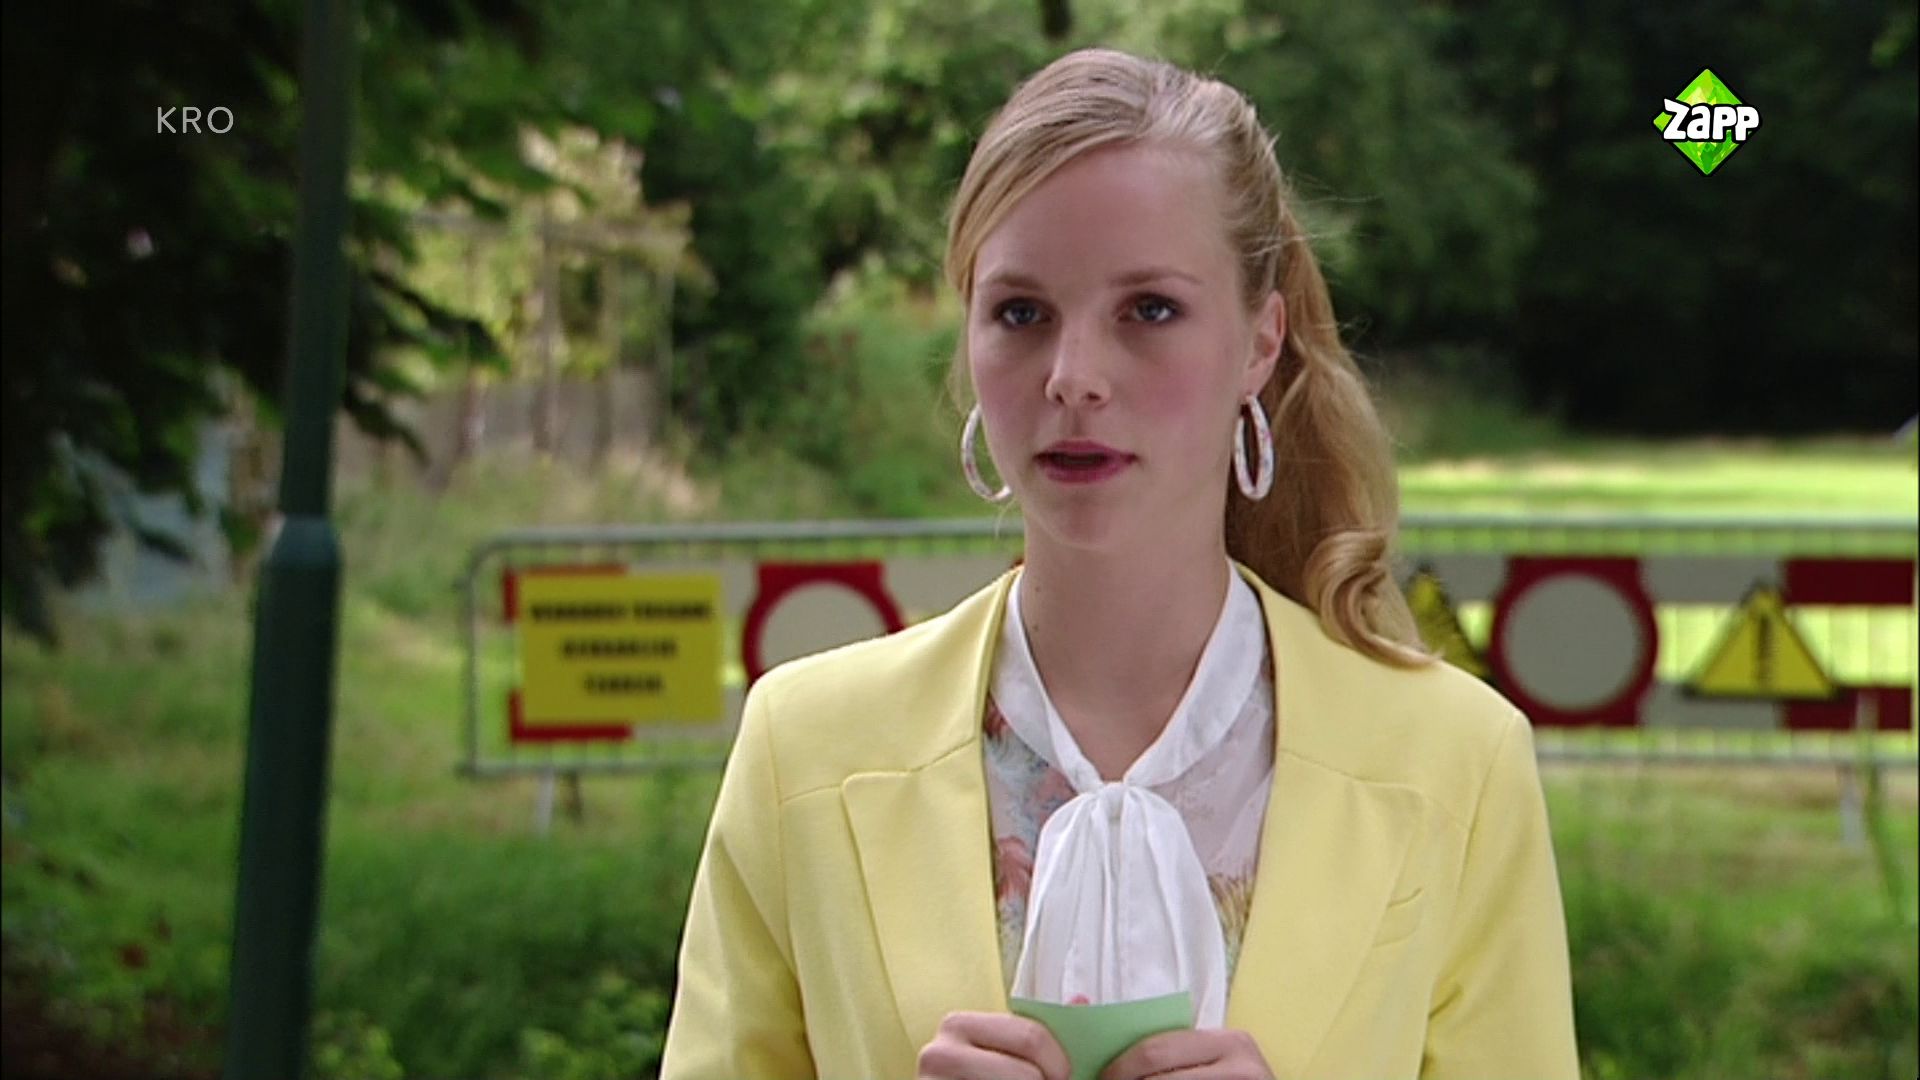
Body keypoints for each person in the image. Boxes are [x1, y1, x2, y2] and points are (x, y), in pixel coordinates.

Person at [661, 46, 1579, 1080]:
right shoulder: (805, 750)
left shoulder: (1455, 762)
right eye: (1021, 313)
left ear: (1260, 341)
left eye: (1148, 310)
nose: (1074, 377)